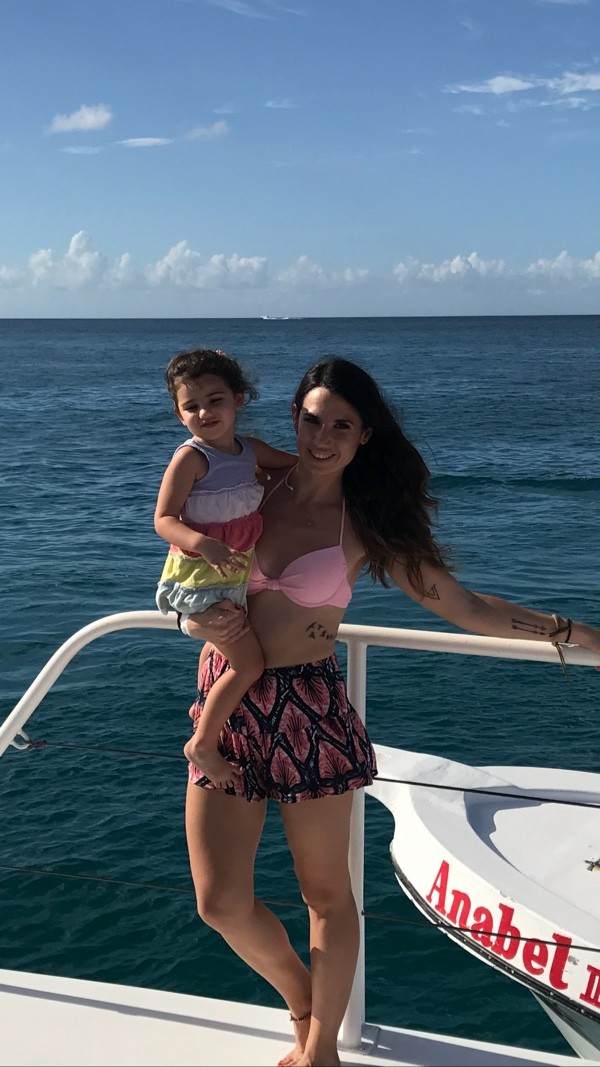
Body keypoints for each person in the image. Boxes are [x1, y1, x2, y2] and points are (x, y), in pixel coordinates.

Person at [181, 357, 600, 1067]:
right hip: (226, 705)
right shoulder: (244, 484)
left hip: (309, 710)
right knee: (219, 900)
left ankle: (321, 1049)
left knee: (326, 895)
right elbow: (185, 572)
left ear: (364, 436)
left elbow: (463, 606)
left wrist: (572, 632)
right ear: (293, 417)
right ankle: (305, 999)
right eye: (312, 419)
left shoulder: (365, 521)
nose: (322, 438)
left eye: (341, 426)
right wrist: (193, 621)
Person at [154, 347, 295, 788]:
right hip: (199, 578)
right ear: (179, 414)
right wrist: (204, 544)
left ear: (238, 399)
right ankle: (201, 743)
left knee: (228, 650)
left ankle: (208, 711)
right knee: (249, 664)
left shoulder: (250, 451)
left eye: (214, 400)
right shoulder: (191, 458)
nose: (204, 412)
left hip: (233, 576)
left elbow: (299, 469)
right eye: (191, 406)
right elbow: (164, 519)